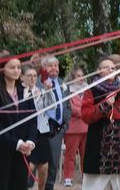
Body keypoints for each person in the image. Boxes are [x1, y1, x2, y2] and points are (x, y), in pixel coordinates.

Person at [81, 57, 120, 190]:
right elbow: (86, 116)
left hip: (119, 149)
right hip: (99, 148)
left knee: (119, 186)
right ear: (98, 71)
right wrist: (104, 104)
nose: (111, 69)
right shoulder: (91, 90)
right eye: (106, 67)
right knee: (93, 186)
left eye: (113, 68)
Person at [0, 57, 37, 190]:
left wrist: (30, 142)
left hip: (23, 153)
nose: (16, 71)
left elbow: (33, 118)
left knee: (20, 185)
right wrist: (17, 144)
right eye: (12, 67)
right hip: (2, 152)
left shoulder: (25, 91)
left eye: (19, 67)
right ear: (2, 69)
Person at [40, 55, 71, 190]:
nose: (54, 68)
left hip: (58, 129)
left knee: (54, 162)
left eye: (56, 65)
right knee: (38, 163)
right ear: (44, 68)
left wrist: (66, 123)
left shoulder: (63, 83)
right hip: (42, 127)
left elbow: (68, 105)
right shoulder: (38, 82)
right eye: (50, 65)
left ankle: (49, 187)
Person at [22, 65, 53, 190]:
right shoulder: (19, 92)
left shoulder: (40, 91)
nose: (32, 78)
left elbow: (51, 106)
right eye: (29, 75)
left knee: (44, 166)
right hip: (26, 133)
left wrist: (48, 91)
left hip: (41, 131)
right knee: (29, 166)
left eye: (35, 76)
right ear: (22, 77)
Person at [63, 66, 88, 188]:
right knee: (70, 155)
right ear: (72, 77)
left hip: (87, 127)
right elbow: (71, 109)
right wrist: (85, 112)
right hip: (73, 129)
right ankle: (68, 177)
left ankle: (86, 176)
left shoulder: (87, 89)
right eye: (78, 76)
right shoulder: (67, 90)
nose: (81, 78)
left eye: (82, 75)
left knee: (86, 154)